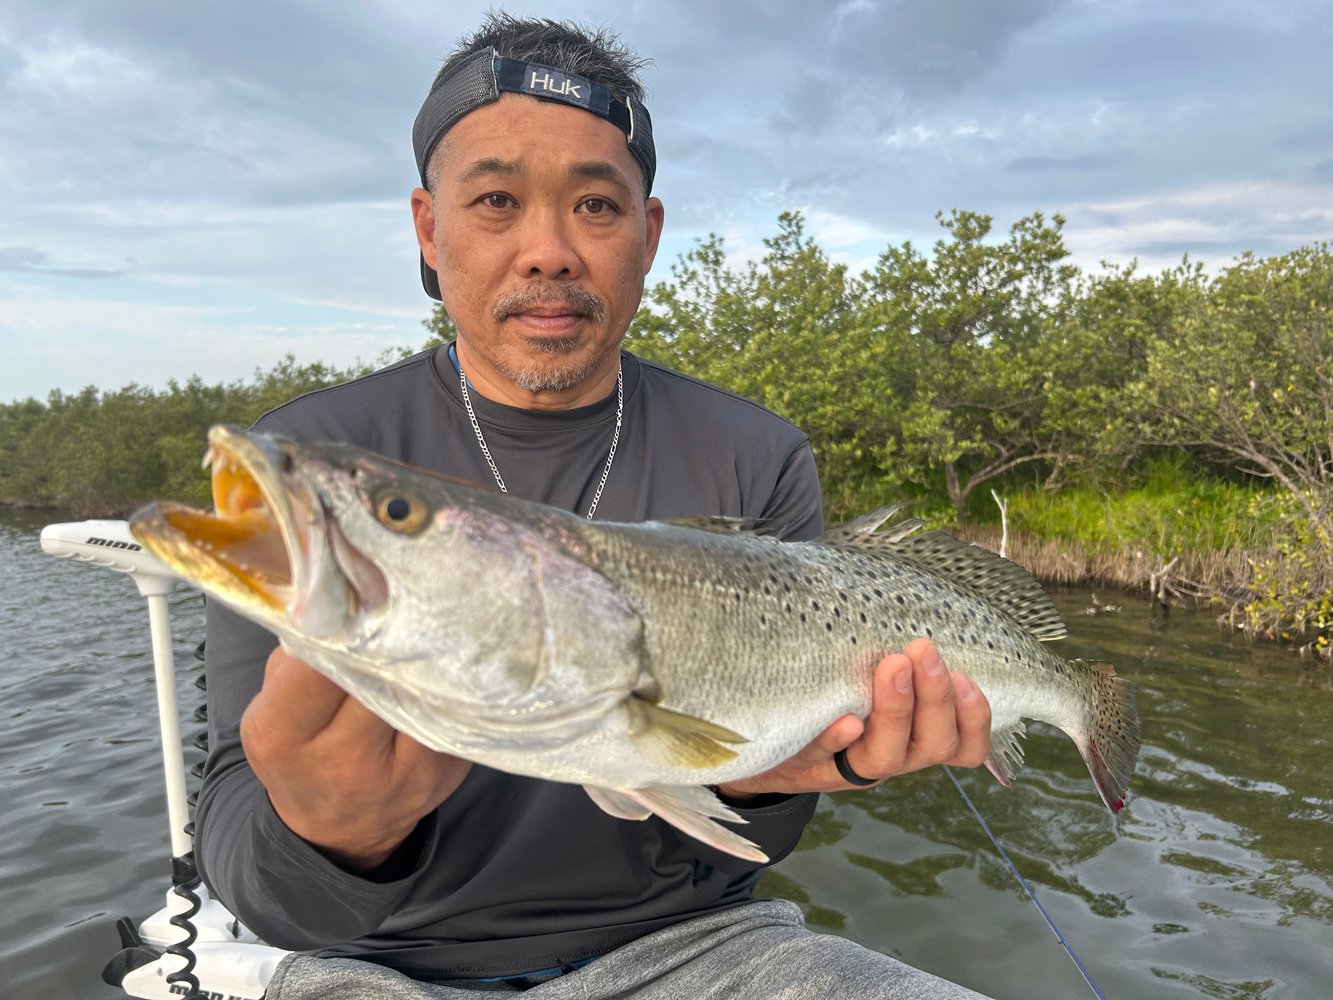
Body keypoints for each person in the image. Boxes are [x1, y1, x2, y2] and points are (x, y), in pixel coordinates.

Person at [197, 14, 994, 999]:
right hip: (378, 964)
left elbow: (746, 850)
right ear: (426, 228)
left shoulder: (757, 453)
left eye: (595, 206)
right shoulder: (318, 467)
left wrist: (759, 778)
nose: (547, 251)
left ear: (646, 235)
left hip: (700, 950)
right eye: (495, 200)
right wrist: (334, 836)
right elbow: (252, 875)